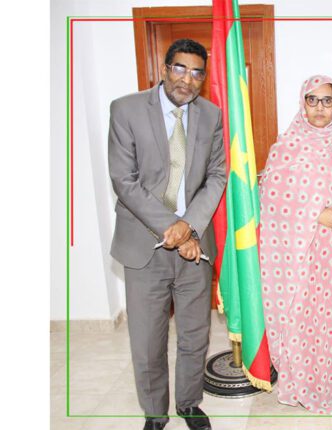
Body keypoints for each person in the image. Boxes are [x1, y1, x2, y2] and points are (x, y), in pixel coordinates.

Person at [108, 39, 226, 430]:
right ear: (164, 68)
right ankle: (155, 414)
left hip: (195, 247)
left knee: (195, 336)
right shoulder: (126, 110)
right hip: (144, 246)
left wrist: (188, 225)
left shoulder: (211, 115)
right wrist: (171, 227)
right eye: (179, 68)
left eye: (196, 73)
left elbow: (216, 175)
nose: (186, 80)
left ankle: (189, 404)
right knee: (147, 341)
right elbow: (124, 181)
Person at [259, 75, 332, 414]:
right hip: (305, 252)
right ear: (303, 103)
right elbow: (272, 196)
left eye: (327, 100)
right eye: (312, 100)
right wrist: (317, 213)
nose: (320, 108)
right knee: (307, 315)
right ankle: (305, 376)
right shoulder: (286, 146)